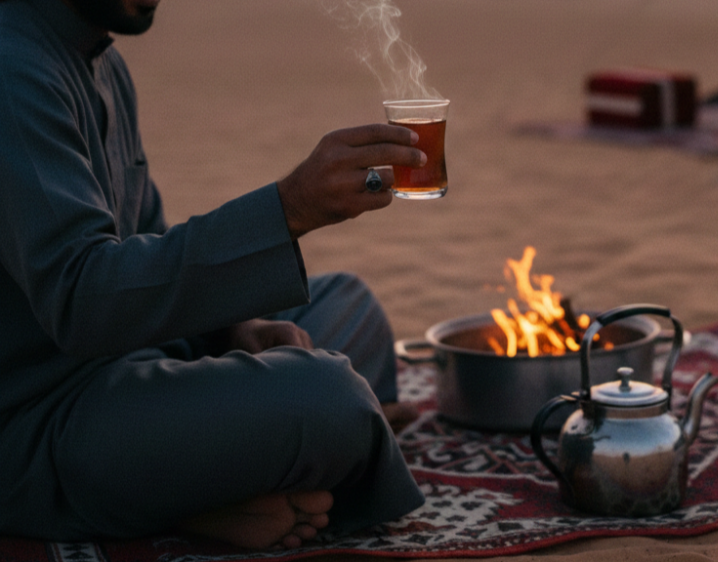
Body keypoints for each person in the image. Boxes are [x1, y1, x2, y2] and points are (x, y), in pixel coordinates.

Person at [0, 0, 428, 550]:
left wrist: (233, 330)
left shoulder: (102, 62)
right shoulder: (12, 68)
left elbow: (141, 239)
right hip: (40, 422)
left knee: (349, 306)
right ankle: (198, 499)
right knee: (330, 396)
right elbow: (84, 302)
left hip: (133, 363)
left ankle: (214, 485)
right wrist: (290, 207)